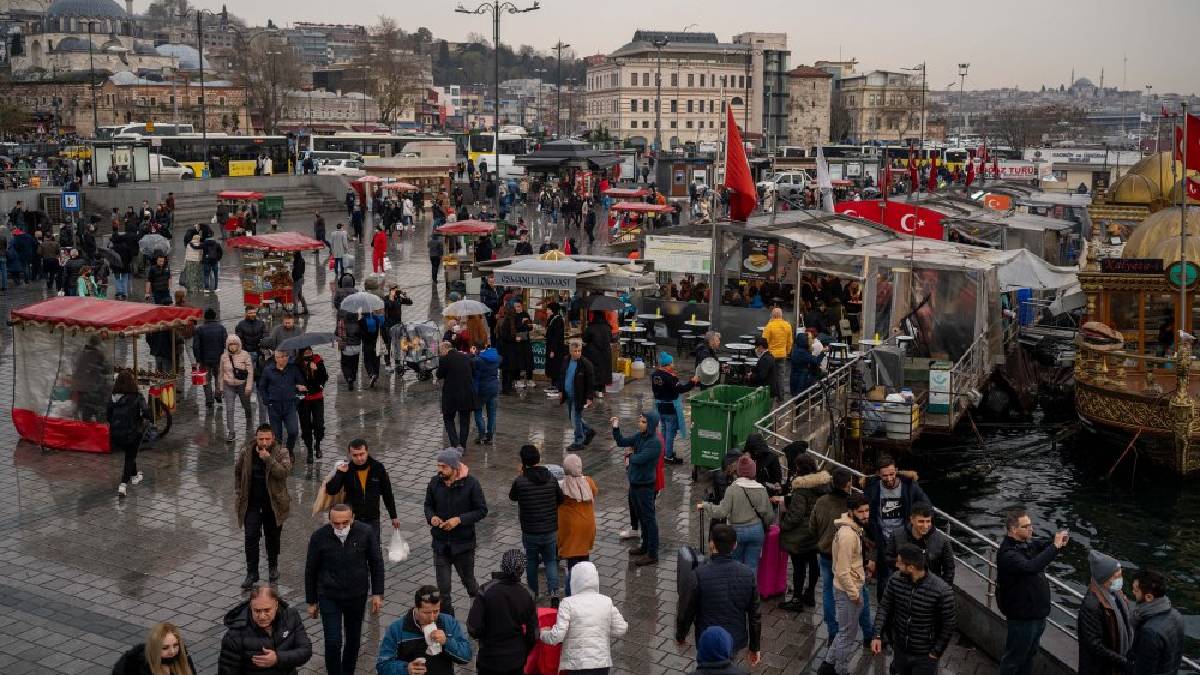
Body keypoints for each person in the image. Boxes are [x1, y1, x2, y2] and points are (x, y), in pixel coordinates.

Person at [304, 504, 384, 675]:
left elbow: (376, 563)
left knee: (353, 640)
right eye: (336, 523)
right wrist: (311, 601)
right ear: (330, 520)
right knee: (333, 641)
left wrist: (377, 593)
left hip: (356, 595)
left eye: (344, 523)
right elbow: (311, 569)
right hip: (329, 595)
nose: (340, 527)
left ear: (352, 518)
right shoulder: (319, 537)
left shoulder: (365, 532)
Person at [996, 507, 1069, 675]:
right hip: (1022, 618)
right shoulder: (1008, 554)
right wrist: (1055, 547)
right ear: (1013, 530)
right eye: (1026, 526)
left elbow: (1042, 545)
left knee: (1029, 655)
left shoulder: (1026, 543)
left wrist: (1057, 542)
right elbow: (1032, 567)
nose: (1031, 529)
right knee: (1014, 659)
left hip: (1036, 614)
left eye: (1030, 525)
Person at [675, 524, 761, 665]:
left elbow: (686, 610)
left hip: (706, 639)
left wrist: (681, 635)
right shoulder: (748, 574)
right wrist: (754, 647)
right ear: (735, 545)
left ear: (712, 544)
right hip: (735, 638)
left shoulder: (698, 575)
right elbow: (755, 615)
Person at [869, 543, 957, 675]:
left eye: (899, 563)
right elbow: (884, 608)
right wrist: (877, 635)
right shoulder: (895, 580)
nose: (896, 565)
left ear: (911, 567)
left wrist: (936, 652)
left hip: (925, 656)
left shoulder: (942, 591)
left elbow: (949, 624)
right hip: (900, 650)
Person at [424, 448, 488, 617]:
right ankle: (448, 622)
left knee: (469, 583)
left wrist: (458, 520)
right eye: (438, 465)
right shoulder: (434, 482)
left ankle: (479, 612)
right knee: (443, 590)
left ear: (454, 467)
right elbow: (428, 506)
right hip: (440, 545)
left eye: (444, 467)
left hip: (463, 545)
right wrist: (432, 518)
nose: (440, 470)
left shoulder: (471, 484)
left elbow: (481, 510)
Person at [811, 469, 873, 643]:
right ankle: (868, 634)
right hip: (851, 558)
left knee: (828, 592)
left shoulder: (821, 501)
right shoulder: (853, 506)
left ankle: (832, 631)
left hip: (825, 554)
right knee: (862, 593)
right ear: (848, 485)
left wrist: (821, 540)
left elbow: (812, 526)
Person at [541, 560, 628, 675]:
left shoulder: (567, 603)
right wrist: (601, 629)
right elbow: (621, 628)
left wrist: (544, 633)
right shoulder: (606, 601)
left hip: (576, 664)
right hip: (601, 663)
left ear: (574, 581)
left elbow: (557, 636)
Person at [817, 493, 871, 675]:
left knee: (844, 632)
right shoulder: (848, 535)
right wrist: (855, 594)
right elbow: (842, 570)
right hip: (849, 591)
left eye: (867, 510)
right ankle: (840, 670)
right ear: (851, 512)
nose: (865, 515)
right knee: (847, 635)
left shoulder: (851, 529)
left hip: (849, 588)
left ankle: (827, 665)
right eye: (861, 511)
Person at [234, 424, 293, 589]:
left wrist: (268, 458)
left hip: (273, 505)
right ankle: (252, 572)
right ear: (256, 437)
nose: (264, 442)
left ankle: (273, 567)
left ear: (273, 438)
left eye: (268, 439)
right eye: (261, 439)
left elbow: (283, 472)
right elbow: (238, 471)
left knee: (272, 538)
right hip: (251, 504)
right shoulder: (246, 451)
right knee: (251, 537)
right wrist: (239, 491)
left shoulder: (282, 452)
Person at [865, 456, 931, 600]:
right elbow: (867, 513)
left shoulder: (909, 486)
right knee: (884, 579)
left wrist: (915, 524)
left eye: (891, 474)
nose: (889, 479)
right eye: (884, 476)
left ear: (896, 471)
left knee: (906, 574)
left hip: (904, 538)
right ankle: (884, 606)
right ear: (878, 474)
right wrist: (871, 535)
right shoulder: (872, 488)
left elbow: (926, 505)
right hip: (882, 539)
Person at [697, 455, 774, 573]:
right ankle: (750, 590)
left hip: (737, 531)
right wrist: (765, 526)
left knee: (735, 565)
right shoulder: (761, 489)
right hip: (756, 531)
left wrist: (706, 506)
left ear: (738, 471)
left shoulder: (732, 490)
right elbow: (769, 515)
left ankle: (737, 589)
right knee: (752, 566)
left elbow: (722, 511)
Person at [467, 549, 538, 675]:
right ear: (522, 570)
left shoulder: (486, 590)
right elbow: (534, 633)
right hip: (516, 659)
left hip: (489, 658)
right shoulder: (528, 594)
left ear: (502, 566)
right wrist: (523, 650)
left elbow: (473, 628)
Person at [376, 586, 474, 675]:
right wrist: (406, 669)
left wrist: (446, 642)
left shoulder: (448, 622)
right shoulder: (397, 629)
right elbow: (382, 665)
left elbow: (466, 656)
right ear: (416, 608)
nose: (432, 618)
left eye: (436, 611)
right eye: (426, 613)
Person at [509, 445, 565, 599]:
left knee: (532, 562)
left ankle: (533, 594)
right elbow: (561, 499)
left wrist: (521, 475)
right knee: (551, 561)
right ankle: (554, 593)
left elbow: (512, 497)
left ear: (523, 462)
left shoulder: (520, 481)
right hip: (549, 530)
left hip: (530, 531)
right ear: (539, 459)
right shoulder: (551, 479)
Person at [218, 584, 312, 674]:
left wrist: (277, 659)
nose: (262, 616)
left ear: (276, 605)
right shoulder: (235, 635)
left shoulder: (291, 617)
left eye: (267, 610)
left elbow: (305, 651)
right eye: (257, 611)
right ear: (251, 606)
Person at [778, 455, 829, 611]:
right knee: (813, 562)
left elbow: (796, 515)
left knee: (798, 567)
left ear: (799, 469)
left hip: (801, 534)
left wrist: (783, 525)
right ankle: (810, 594)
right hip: (817, 530)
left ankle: (797, 599)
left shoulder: (801, 489)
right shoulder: (824, 484)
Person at [611, 411, 662, 566]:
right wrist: (615, 428)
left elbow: (639, 459)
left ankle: (652, 553)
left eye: (644, 421)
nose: (640, 423)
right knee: (641, 517)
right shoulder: (640, 436)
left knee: (649, 520)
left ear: (651, 425)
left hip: (645, 487)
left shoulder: (654, 442)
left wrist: (630, 456)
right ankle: (644, 546)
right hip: (634, 485)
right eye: (640, 420)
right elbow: (621, 442)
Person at [325, 439, 400, 545]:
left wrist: (394, 516)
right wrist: (339, 473)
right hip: (352, 518)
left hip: (372, 518)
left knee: (374, 549)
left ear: (367, 452)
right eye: (355, 455)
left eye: (362, 454)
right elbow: (331, 490)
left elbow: (387, 493)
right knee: (353, 549)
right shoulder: (347, 469)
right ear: (350, 454)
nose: (359, 458)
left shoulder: (377, 468)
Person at [1076, 550, 1134, 675]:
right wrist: (1122, 661)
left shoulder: (1117, 593)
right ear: (1104, 578)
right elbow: (1094, 645)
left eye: (1121, 574)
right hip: (1099, 669)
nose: (1120, 579)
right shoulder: (1092, 606)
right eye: (1116, 576)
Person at [885, 503, 955, 586]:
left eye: (928, 521)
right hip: (903, 586)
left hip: (930, 588)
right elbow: (888, 559)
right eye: (921, 521)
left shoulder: (942, 541)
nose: (925, 526)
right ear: (912, 519)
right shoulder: (896, 535)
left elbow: (949, 569)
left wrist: (941, 591)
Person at [1130, 568, 1185, 675]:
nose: (1133, 592)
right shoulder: (1176, 615)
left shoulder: (1149, 632)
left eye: (1136, 590)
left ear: (1149, 597)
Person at [107, 370, 151, 498]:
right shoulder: (137, 396)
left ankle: (135, 476)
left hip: (115, 434)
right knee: (130, 457)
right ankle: (123, 485)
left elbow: (108, 415)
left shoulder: (112, 397)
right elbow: (147, 412)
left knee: (130, 453)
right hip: (132, 432)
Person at [258, 349, 306, 458]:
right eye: (281, 356)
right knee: (277, 435)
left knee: (293, 431)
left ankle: (289, 450)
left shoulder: (293, 369)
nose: (284, 358)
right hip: (274, 406)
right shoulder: (268, 370)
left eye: (286, 356)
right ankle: (278, 454)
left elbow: (301, 383)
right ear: (276, 358)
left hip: (290, 406)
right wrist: (267, 401)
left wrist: (297, 395)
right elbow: (262, 387)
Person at [651, 352, 698, 465]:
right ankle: (668, 456)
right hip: (670, 409)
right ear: (667, 364)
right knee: (670, 433)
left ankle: (662, 453)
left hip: (660, 407)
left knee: (663, 431)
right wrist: (693, 382)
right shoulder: (670, 377)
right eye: (672, 362)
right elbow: (681, 389)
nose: (673, 364)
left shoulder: (654, 375)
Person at [113, 622, 197, 675]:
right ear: (155, 649)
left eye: (175, 645)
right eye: (165, 648)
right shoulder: (139, 668)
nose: (172, 651)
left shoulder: (184, 660)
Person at [436, 341, 477, 449]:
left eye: (440, 351)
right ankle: (462, 445)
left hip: (451, 395)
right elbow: (473, 372)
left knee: (448, 418)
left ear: (445, 349)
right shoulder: (466, 357)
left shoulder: (444, 359)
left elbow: (439, 375)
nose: (440, 354)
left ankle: (455, 443)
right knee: (465, 421)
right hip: (466, 393)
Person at [220, 335, 255, 444]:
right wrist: (220, 387)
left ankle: (249, 419)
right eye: (230, 344)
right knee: (229, 408)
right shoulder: (224, 357)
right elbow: (221, 373)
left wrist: (248, 387)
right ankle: (231, 431)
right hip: (228, 384)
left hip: (242, 384)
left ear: (239, 344)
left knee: (246, 405)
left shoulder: (245, 355)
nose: (233, 346)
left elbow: (250, 372)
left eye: (235, 344)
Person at [296, 346, 328, 462]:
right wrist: (297, 386)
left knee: (319, 424)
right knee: (305, 425)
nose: (309, 354)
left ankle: (318, 445)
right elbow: (293, 379)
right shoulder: (296, 364)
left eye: (310, 352)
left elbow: (325, 377)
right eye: (306, 352)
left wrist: (316, 371)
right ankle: (309, 450)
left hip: (317, 397)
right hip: (302, 399)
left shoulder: (318, 361)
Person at [192, 307, 228, 408]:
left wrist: (198, 359)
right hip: (218, 359)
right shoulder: (221, 328)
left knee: (206, 380)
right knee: (219, 377)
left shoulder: (200, 329)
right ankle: (218, 394)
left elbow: (196, 346)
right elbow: (226, 343)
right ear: (215, 317)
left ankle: (209, 399)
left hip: (204, 359)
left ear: (205, 318)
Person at [761, 307, 793, 394]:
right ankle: (781, 396)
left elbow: (764, 341)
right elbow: (790, 341)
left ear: (772, 315)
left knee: (770, 376)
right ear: (781, 315)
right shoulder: (787, 325)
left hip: (771, 355)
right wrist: (787, 352)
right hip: (782, 354)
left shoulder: (769, 326)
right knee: (781, 376)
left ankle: (771, 395)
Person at [582, 312, 613, 397]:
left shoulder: (591, 327)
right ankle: (601, 391)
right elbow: (611, 338)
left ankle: (594, 390)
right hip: (606, 353)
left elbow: (584, 339)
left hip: (593, 353)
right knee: (604, 371)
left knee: (594, 371)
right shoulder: (608, 327)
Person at [383, 285, 413, 367]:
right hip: (389, 325)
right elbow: (389, 306)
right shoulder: (386, 298)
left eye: (397, 290)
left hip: (398, 325)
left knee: (397, 344)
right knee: (388, 345)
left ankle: (397, 362)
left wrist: (405, 295)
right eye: (394, 290)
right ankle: (387, 362)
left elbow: (410, 302)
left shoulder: (399, 298)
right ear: (391, 291)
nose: (396, 292)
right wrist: (391, 297)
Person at [543, 302, 566, 395]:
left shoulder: (557, 320)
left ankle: (557, 386)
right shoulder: (553, 319)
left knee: (556, 367)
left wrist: (553, 350)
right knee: (552, 366)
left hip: (556, 349)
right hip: (552, 347)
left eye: (548, 309)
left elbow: (556, 336)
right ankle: (553, 384)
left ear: (552, 310)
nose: (546, 311)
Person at [291, 251, 308, 315]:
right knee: (299, 295)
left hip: (297, 280)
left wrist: (294, 277)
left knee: (295, 295)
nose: (293, 255)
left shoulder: (296, 261)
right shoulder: (302, 260)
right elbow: (303, 270)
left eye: (294, 253)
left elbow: (296, 271)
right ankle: (305, 308)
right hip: (300, 279)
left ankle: (295, 311)